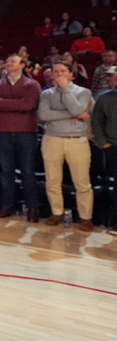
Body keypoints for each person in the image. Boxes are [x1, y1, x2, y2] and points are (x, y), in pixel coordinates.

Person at [38, 61, 94, 231]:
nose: (59, 74)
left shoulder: (84, 92)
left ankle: (86, 217)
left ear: (71, 74)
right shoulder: (46, 94)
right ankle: (57, 212)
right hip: (52, 139)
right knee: (52, 181)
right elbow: (44, 115)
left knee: (82, 182)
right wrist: (72, 115)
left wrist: (66, 90)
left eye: (63, 71)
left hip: (76, 139)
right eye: (56, 72)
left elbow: (78, 109)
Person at [0, 54, 42, 221]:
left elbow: (28, 105)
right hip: (2, 132)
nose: (8, 63)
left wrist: (1, 103)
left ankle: (32, 208)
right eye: (8, 60)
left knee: (27, 172)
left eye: (13, 61)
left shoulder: (32, 84)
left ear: (22, 65)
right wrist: (15, 104)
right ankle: (6, 205)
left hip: (26, 132)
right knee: (6, 172)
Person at [90, 65, 117, 233]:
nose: (108, 78)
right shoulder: (104, 98)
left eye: (111, 75)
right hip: (114, 147)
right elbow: (96, 122)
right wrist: (103, 143)